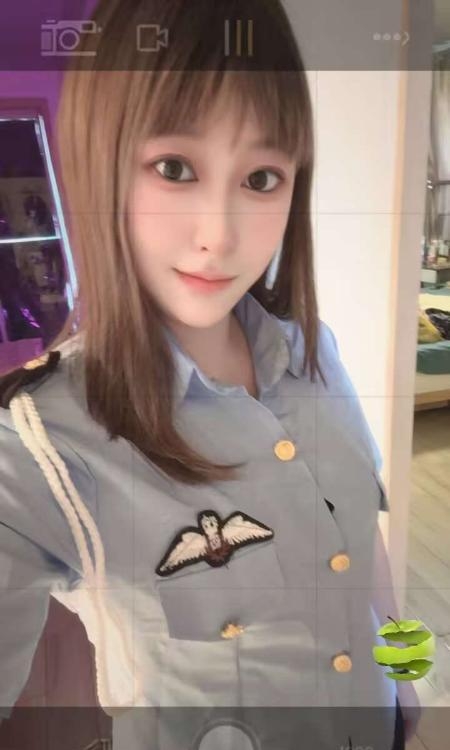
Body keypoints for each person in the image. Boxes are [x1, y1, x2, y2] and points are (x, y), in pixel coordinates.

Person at [0, 0, 421, 748]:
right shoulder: (44, 442)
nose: (220, 235)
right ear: (102, 165)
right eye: (174, 168)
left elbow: (360, 542)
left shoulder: (315, 353)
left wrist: (405, 678)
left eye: (261, 177)